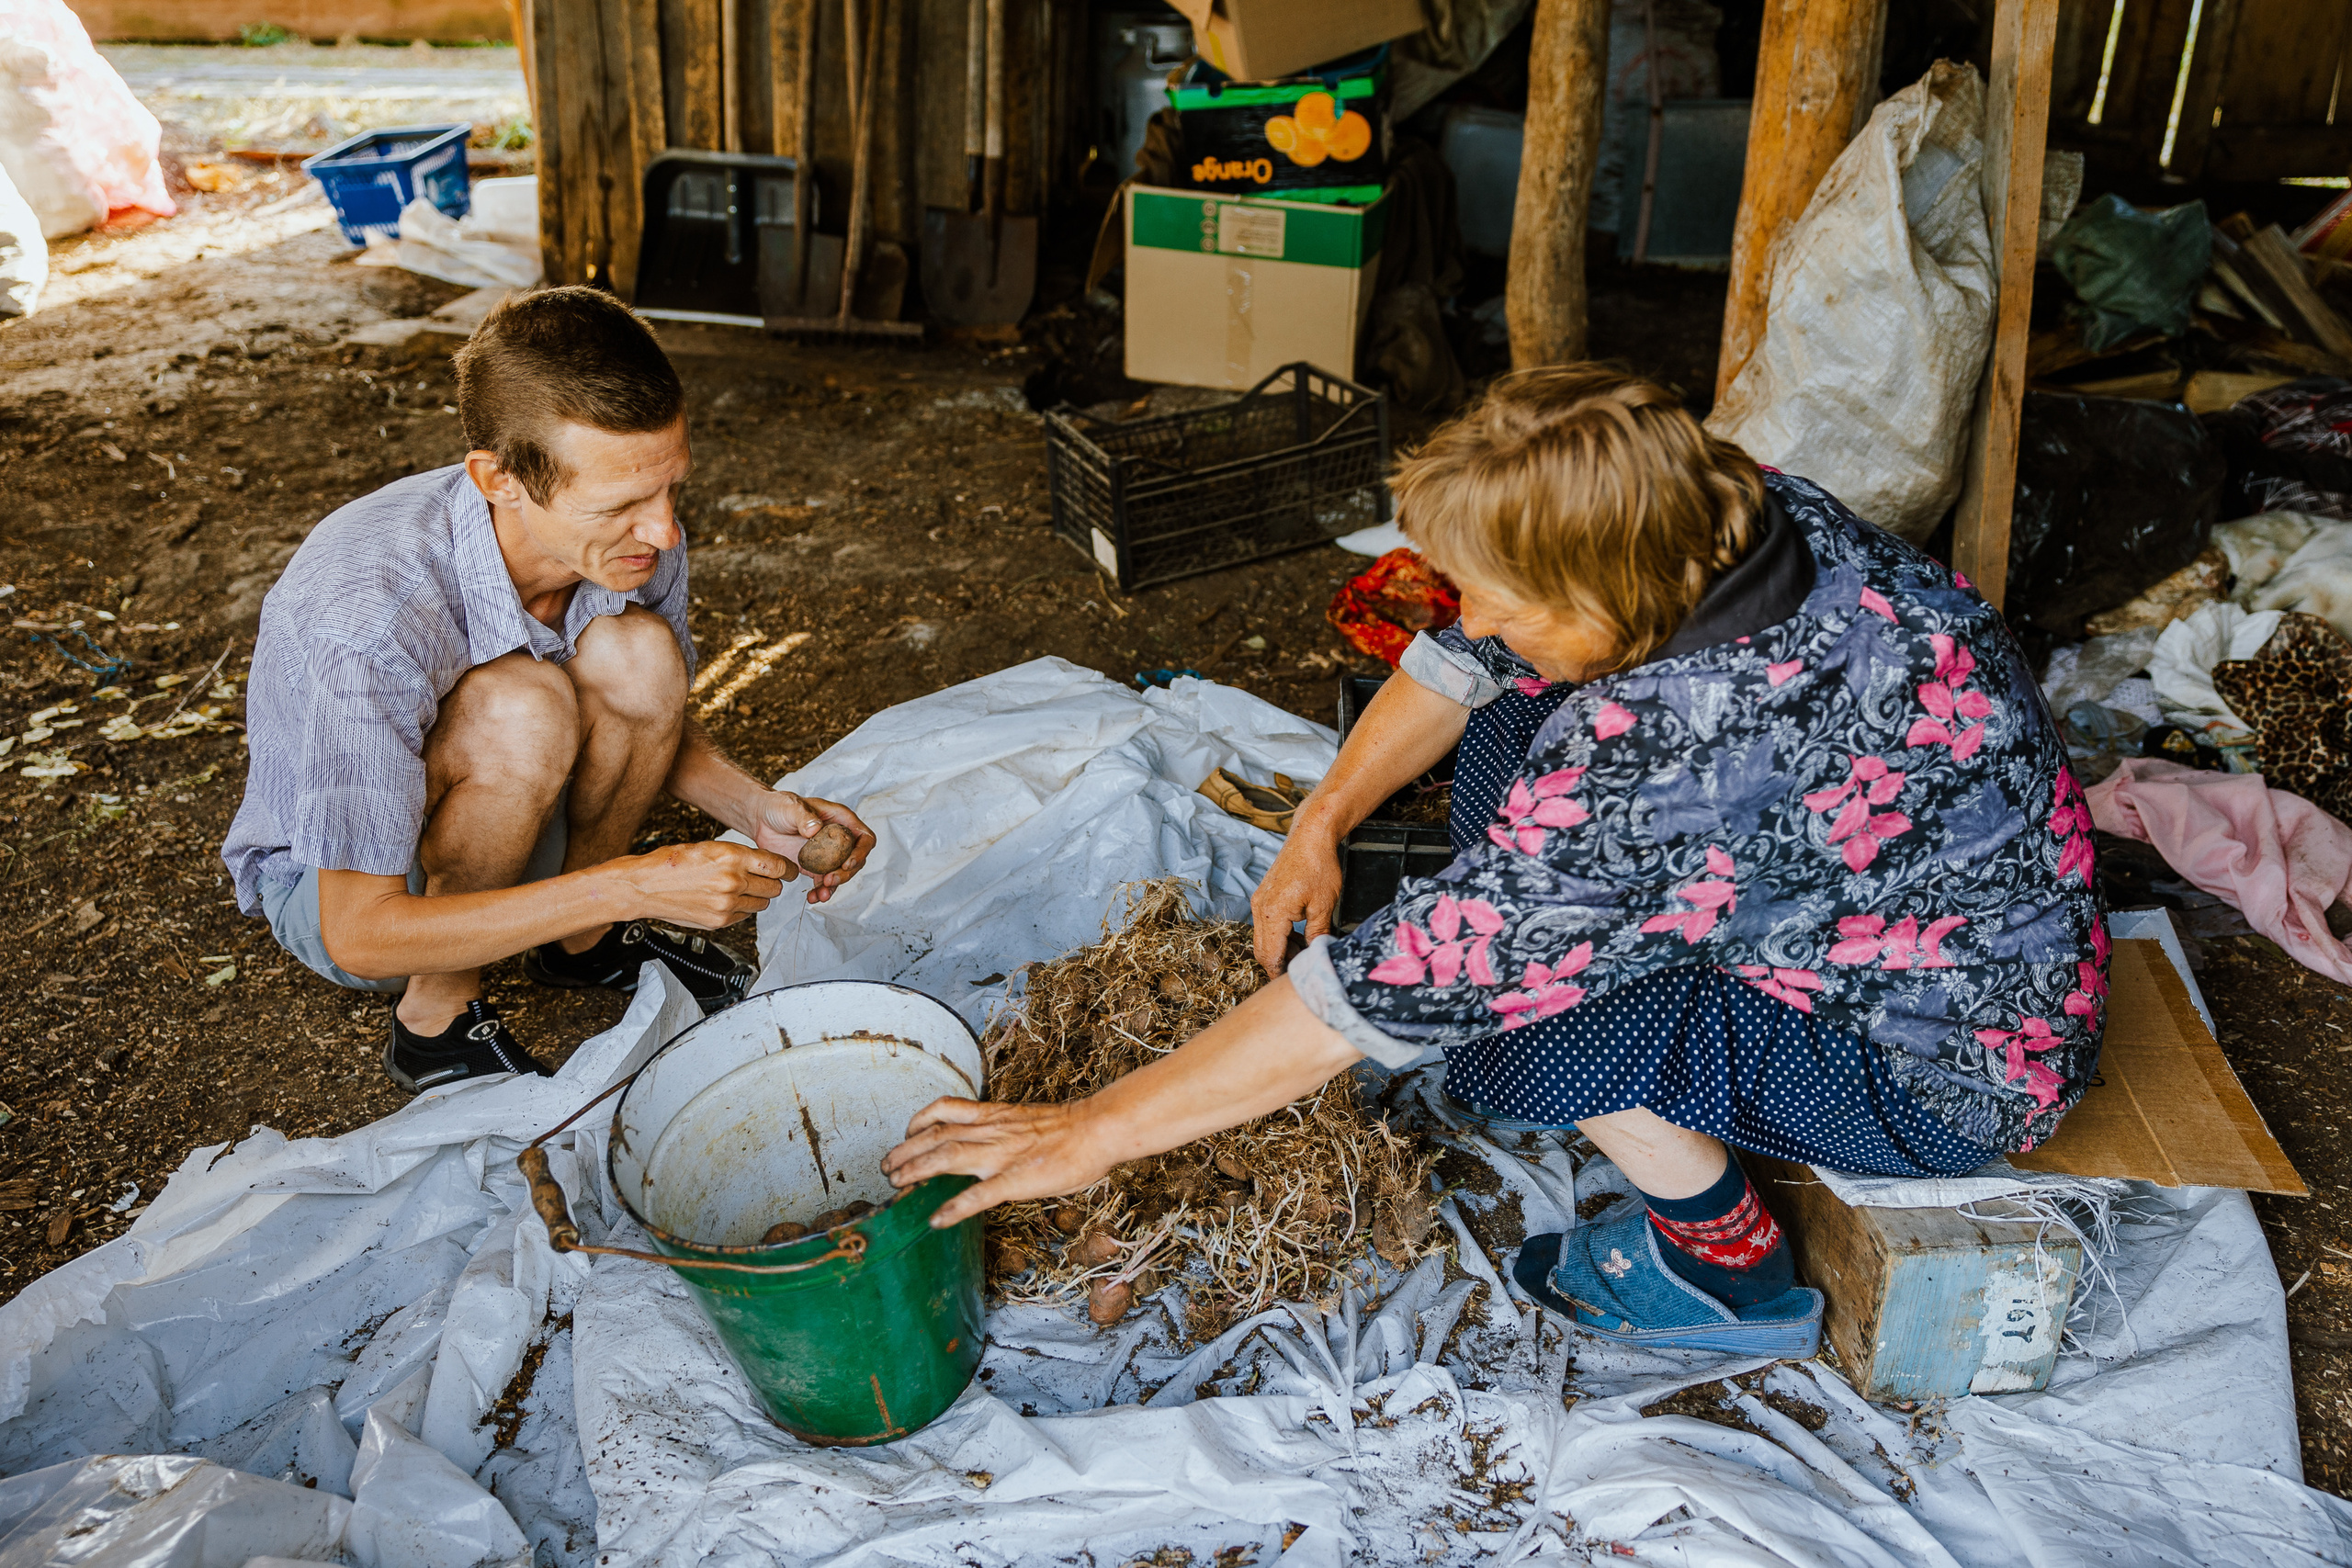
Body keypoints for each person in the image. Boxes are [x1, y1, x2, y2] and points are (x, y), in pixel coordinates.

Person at [881, 367, 2105, 1357]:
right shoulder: (1729, 512)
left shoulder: (1681, 756)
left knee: (1505, 1033)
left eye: (1498, 592)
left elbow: (1369, 999)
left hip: (1943, 1068)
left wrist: (1093, 1127)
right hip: (1917, 916)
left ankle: (1722, 1256)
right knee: (1513, 713)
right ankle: (1553, 945)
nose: (1469, 615)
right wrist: (1322, 821)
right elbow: (1466, 667)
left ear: (1601, 583)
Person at [223, 287, 872, 1094]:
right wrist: (637, 880)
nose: (665, 530)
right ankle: (436, 1019)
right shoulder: (367, 612)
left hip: (520, 819)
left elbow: (637, 709)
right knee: (521, 707)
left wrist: (755, 809)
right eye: (623, 503)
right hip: (354, 898)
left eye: (671, 488)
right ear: (500, 481)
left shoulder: (632, 535)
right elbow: (360, 933)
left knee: (639, 651)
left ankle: (585, 941)